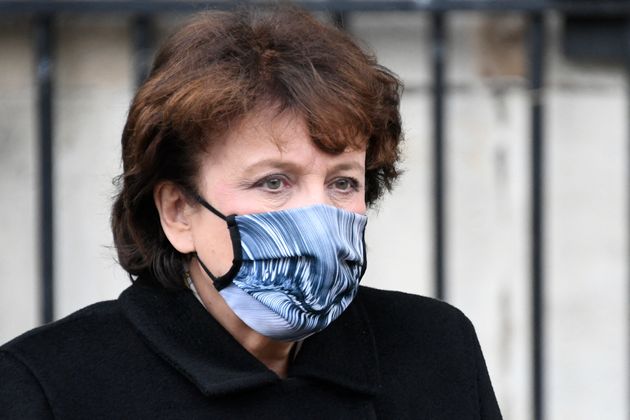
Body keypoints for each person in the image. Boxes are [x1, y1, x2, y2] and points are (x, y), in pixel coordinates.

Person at [0, 6, 502, 419]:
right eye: (274, 182)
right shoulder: (50, 386)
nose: (318, 214)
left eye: (342, 182)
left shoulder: (434, 349)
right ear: (178, 212)